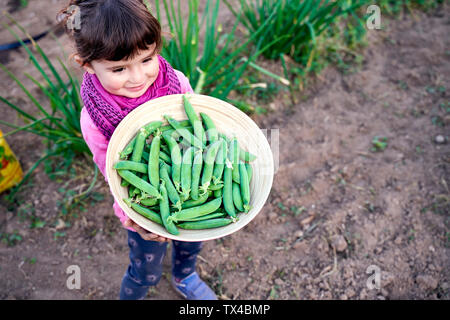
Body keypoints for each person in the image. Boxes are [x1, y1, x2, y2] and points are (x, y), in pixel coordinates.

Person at [56, 0, 217, 300]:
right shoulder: (95, 118)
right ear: (87, 64)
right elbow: (115, 174)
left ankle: (185, 275)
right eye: (119, 68)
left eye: (147, 59)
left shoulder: (175, 83)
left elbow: (198, 129)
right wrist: (134, 218)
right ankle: (134, 292)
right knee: (146, 268)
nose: (138, 77)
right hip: (143, 201)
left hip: (191, 181)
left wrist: (207, 160)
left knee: (192, 239)